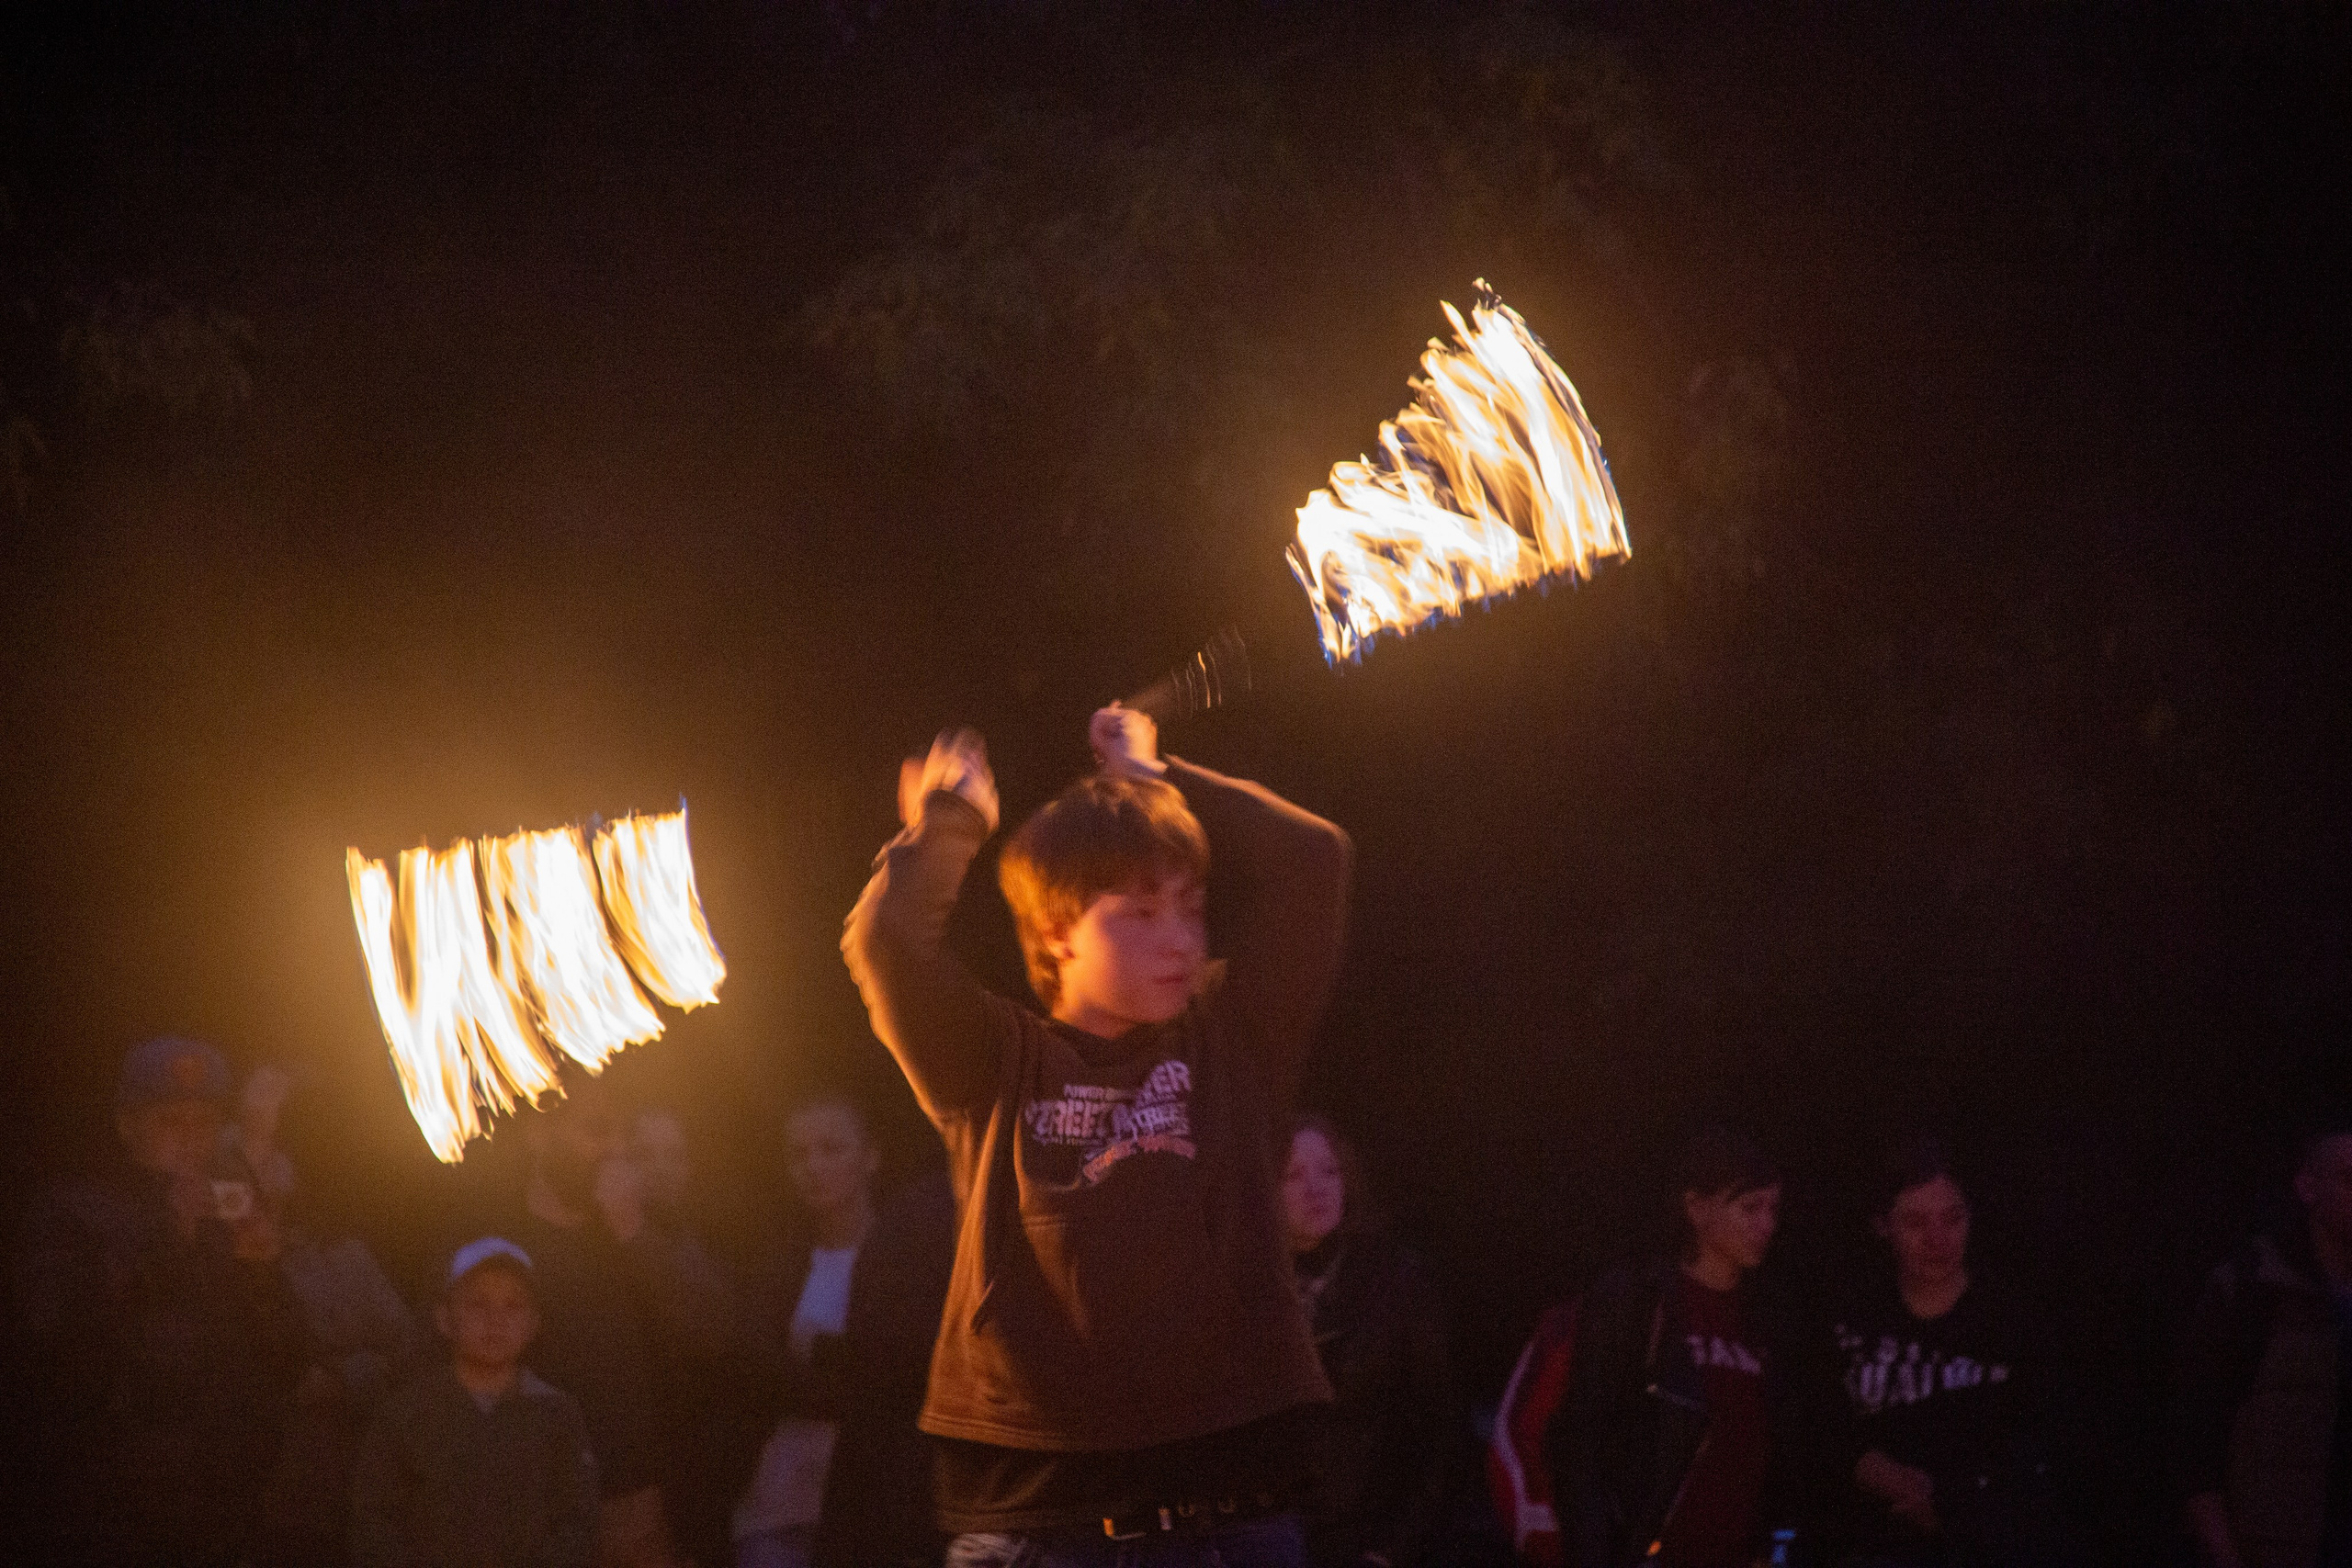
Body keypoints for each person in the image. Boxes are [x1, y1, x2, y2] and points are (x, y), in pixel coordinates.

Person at [841, 707, 1352, 1565]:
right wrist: (950, 825)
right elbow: (889, 940)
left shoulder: (1231, 1043)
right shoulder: (996, 1061)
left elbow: (1315, 859)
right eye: (1140, 913)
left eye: (1190, 908)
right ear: (1055, 932)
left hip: (1231, 1522)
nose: (1180, 940)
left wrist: (1155, 780)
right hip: (1042, 1528)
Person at [12, 1034, 307, 1568]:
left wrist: (263, 1274)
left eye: (207, 1122)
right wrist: (169, 1236)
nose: (193, 1140)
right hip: (105, 1518)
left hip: (225, 1513)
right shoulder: (72, 1213)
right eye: (172, 1121)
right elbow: (53, 1353)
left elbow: (287, 1360)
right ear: (128, 1126)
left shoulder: (231, 1213)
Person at [512, 1077, 743, 1568]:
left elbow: (715, 1333)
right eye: (596, 1130)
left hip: (642, 1509)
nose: (615, 1150)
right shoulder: (498, 1247)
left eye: (621, 1136)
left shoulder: (644, 1230)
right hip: (535, 1509)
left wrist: (632, 1229)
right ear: (539, 1134)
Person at [1543, 1126, 1787, 1568]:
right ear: (1696, 1208)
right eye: (1750, 1208)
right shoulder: (1640, 1300)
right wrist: (1598, 1551)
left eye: (1773, 1209)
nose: (1766, 1225)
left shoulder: (1768, 1318)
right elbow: (1579, 1436)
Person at [1819, 1137, 2066, 1567]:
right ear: (1884, 1226)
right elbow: (1815, 1433)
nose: (1938, 1240)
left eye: (1952, 1219)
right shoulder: (1848, 1322)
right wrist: (1862, 1464)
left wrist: (1954, 1509)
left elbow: (2046, 1451)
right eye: (1916, 1223)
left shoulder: (2013, 1324)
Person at [350, 1237, 600, 1568]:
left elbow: (577, 1521)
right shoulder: (407, 1413)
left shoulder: (557, 1413)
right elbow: (374, 1523)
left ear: (533, 1324)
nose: (497, 1321)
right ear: (444, 1319)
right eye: (478, 1305)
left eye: (514, 1306)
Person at [2173, 1122, 2352, 1568]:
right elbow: (2197, 1430)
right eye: (2350, 1177)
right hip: (2275, 1545)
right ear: (2308, 1187)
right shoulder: (2255, 1282)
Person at [1282, 1113, 1453, 1568]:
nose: (1316, 1188)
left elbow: (1435, 1427)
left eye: (1329, 1171)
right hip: (1274, 1535)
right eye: (1293, 1175)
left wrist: (1393, 1549)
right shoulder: (1250, 1289)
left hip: (1366, 1535)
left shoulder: (1397, 1281)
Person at [732, 1094, 883, 1568]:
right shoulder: (777, 1265)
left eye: (831, 1148)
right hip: (776, 1508)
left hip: (872, 1509)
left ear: (869, 1158)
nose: (813, 1166)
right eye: (799, 1153)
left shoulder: (901, 1263)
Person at [811, 1165, 960, 1568]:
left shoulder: (911, 1220)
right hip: (917, 1477)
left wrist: (823, 1355)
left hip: (912, 1478)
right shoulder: (916, 1221)